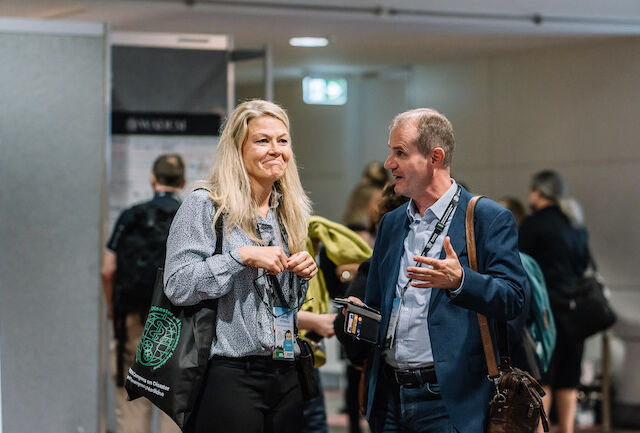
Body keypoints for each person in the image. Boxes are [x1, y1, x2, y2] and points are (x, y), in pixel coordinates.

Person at [350, 108, 527, 433]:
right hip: (390, 397)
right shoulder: (391, 224)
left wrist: (461, 281)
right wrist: (360, 315)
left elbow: (514, 298)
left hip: (449, 401)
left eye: (400, 153)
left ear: (435, 157)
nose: (389, 163)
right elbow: (376, 302)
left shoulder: (487, 218)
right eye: (391, 152)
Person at [163, 100, 316, 433]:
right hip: (228, 375)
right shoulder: (205, 205)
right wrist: (239, 258)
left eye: (282, 140)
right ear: (238, 148)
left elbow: (285, 302)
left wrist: (301, 274)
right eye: (262, 140)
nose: (276, 150)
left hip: (285, 369)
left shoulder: (288, 211)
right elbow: (177, 285)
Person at [101, 153, 185, 433]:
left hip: (134, 318)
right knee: (173, 396)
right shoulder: (188, 218)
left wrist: (113, 310)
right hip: (176, 322)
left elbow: (108, 270)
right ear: (182, 181)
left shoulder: (131, 216)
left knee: (132, 396)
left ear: (152, 179)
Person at [519, 170, 590, 433]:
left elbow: (521, 264)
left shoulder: (533, 224)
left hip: (546, 311)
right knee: (570, 376)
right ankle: (568, 429)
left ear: (539, 191)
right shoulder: (575, 223)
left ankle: (543, 430)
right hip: (576, 310)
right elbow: (584, 263)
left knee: (544, 375)